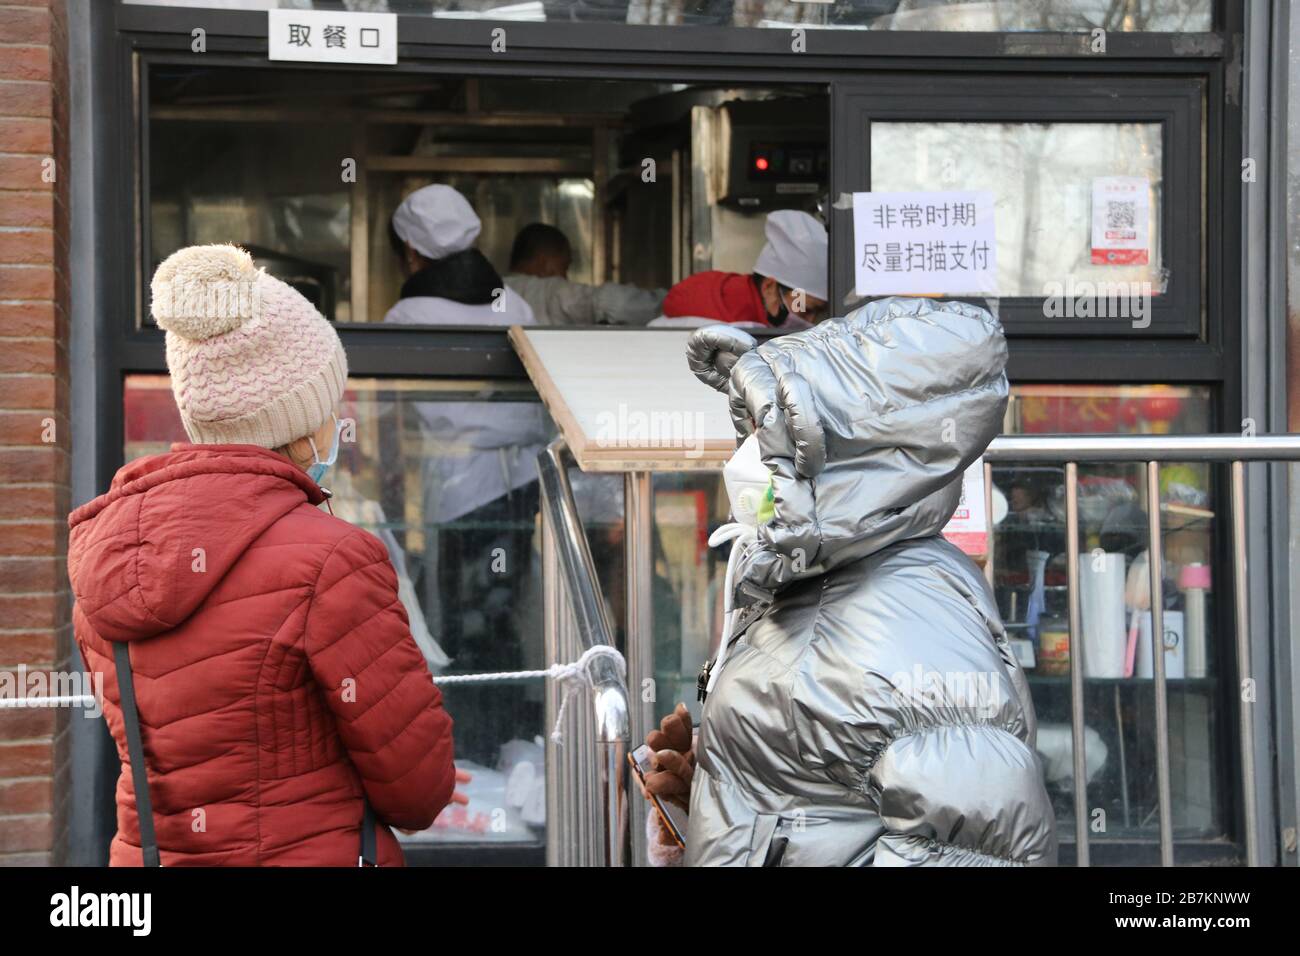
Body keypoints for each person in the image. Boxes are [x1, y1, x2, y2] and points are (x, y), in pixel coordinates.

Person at [67, 244, 458, 865]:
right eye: (330, 404)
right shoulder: (333, 560)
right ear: (302, 425)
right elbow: (420, 790)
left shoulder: (104, 553)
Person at [642, 297, 1057, 866]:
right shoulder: (816, 577)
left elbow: (972, 851)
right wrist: (711, 798)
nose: (747, 459)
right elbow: (817, 807)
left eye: (775, 436)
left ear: (848, 458)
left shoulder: (906, 614)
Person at [382, 185, 551, 765]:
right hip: (517, 490)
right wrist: (504, 422)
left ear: (410, 252)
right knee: (499, 623)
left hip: (457, 500)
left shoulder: (408, 314)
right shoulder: (514, 304)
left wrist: (480, 422)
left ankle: (474, 754)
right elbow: (531, 414)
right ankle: (505, 748)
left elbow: (441, 414)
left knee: (460, 627)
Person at [651, 209, 829, 332]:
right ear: (769, 288)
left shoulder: (725, 294)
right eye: (804, 309)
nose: (811, 321)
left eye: (817, 313)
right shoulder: (733, 332)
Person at [504, 222, 665, 326]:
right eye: (564, 267)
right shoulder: (549, 292)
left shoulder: (496, 289)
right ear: (544, 262)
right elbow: (611, 303)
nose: (565, 277)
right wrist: (669, 302)